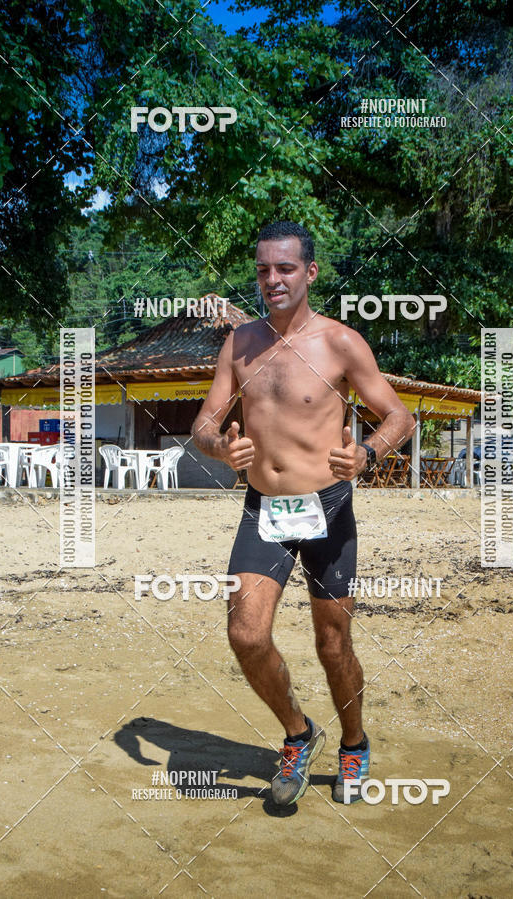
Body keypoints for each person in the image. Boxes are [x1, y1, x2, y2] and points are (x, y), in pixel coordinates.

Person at [192, 221, 416, 805]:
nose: (272, 280)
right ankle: (298, 732)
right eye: (264, 269)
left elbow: (398, 416)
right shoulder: (240, 344)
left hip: (328, 506)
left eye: (285, 268)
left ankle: (353, 741)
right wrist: (220, 447)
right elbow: (203, 424)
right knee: (245, 633)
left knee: (333, 643)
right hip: (264, 507)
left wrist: (367, 453)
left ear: (310, 273)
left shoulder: (340, 342)